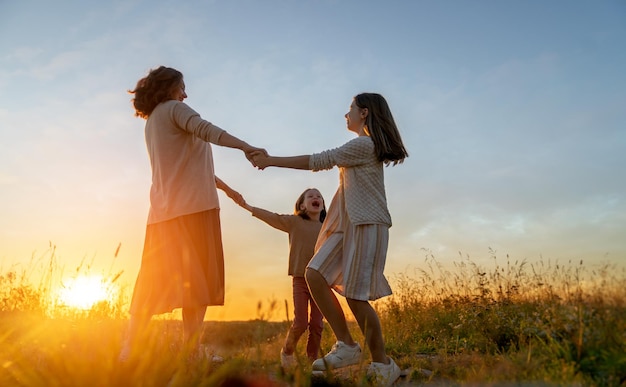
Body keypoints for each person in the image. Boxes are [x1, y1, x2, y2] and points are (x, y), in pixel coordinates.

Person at [251, 93, 408, 386]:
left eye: (350, 109)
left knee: (355, 296)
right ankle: (347, 345)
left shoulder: (364, 144)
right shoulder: (363, 145)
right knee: (314, 272)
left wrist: (271, 161)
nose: (345, 114)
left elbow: (318, 160)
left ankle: (383, 363)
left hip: (366, 224)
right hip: (346, 225)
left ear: (363, 113)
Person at [119, 66, 266, 362]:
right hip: (195, 210)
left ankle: (128, 350)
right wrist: (245, 147)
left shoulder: (152, 123)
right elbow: (208, 131)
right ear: (169, 87)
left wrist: (226, 189)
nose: (186, 94)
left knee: (151, 283)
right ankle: (191, 352)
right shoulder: (175, 108)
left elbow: (187, 166)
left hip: (162, 215)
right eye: (182, 87)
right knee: (198, 285)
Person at [225, 187, 327, 368]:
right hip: (300, 279)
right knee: (301, 322)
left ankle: (313, 362)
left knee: (317, 324)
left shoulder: (327, 227)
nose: (316, 197)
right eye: (310, 196)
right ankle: (287, 351)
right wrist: (248, 207)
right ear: (302, 206)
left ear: (323, 205)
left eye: (319, 196)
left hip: (321, 281)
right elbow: (272, 217)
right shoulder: (294, 222)